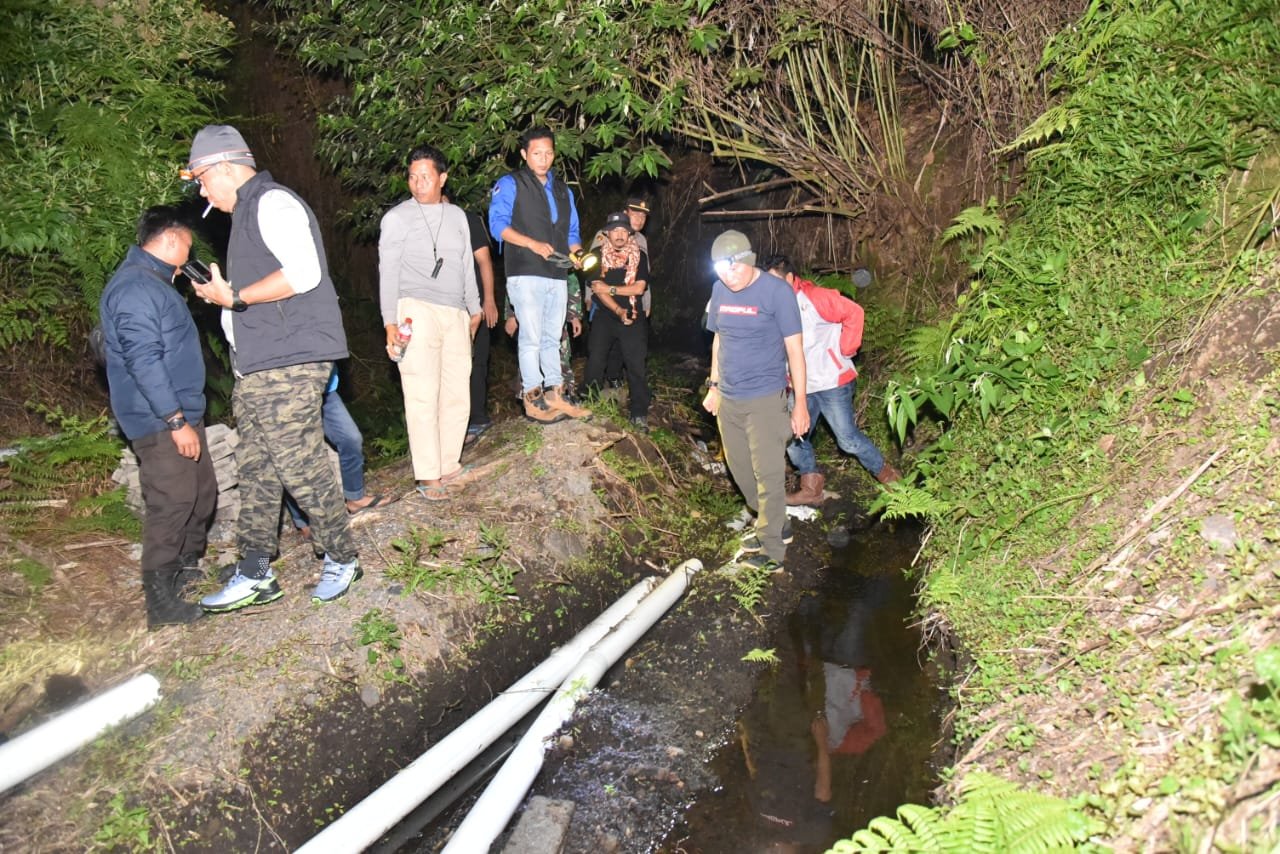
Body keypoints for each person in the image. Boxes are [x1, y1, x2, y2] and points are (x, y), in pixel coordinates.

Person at [184, 124, 360, 608]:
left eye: (201, 178)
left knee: (299, 462)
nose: (201, 189)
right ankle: (255, 570)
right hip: (260, 365)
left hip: (292, 358)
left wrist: (233, 296)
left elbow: (303, 273)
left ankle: (342, 557)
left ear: (223, 166)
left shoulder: (272, 202)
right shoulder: (245, 215)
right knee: (257, 469)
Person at [99, 206, 216, 628]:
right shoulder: (135, 289)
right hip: (159, 418)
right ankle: (161, 604)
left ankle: (186, 572)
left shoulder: (155, 282)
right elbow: (144, 360)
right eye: (187, 241)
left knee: (201, 494)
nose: (190, 249)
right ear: (170, 240)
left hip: (181, 412)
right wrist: (175, 420)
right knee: (172, 502)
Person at [379, 144, 482, 501]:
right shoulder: (396, 219)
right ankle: (427, 474)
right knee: (422, 392)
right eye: (413, 176)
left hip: (455, 312)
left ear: (442, 178)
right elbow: (387, 270)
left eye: (426, 176)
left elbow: (466, 263)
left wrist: (475, 307)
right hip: (414, 308)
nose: (418, 183)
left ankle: (448, 462)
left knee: (457, 390)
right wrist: (389, 320)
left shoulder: (457, 217)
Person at [703, 230, 809, 571]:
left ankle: (773, 551)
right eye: (720, 269)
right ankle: (776, 523)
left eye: (733, 268)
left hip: (765, 399)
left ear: (748, 261)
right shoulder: (719, 290)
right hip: (729, 399)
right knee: (742, 474)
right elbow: (719, 339)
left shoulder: (777, 292)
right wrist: (714, 386)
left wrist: (801, 403)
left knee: (768, 475)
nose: (727, 275)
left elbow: (795, 350)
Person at [761, 255, 901, 505]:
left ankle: (890, 477)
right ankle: (811, 486)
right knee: (792, 438)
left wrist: (846, 350)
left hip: (832, 382)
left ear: (790, 278)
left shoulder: (815, 298)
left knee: (847, 439)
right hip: (801, 387)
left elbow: (854, 312)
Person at [488, 125, 590, 423]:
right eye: (536, 153)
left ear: (554, 154)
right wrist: (531, 243)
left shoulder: (563, 190)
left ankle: (556, 393)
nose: (543, 159)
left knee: (552, 336)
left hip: (557, 273)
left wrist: (580, 255)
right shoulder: (510, 184)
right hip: (525, 271)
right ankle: (532, 398)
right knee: (531, 336)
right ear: (524, 154)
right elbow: (498, 225)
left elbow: (571, 233)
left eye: (548, 153)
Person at [283, 367, 393, 538]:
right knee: (292, 455)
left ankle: (354, 498)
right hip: (286, 392)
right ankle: (303, 520)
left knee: (350, 438)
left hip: (324, 388)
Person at [583, 211, 651, 431]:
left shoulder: (640, 255)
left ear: (629, 233)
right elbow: (596, 289)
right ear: (607, 234)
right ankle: (588, 402)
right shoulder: (595, 255)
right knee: (596, 358)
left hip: (633, 315)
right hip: (605, 314)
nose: (620, 235)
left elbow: (639, 288)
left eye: (624, 230)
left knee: (636, 364)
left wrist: (612, 290)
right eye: (615, 231)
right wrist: (617, 309)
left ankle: (639, 413)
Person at [588, 197, 653, 392]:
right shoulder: (604, 235)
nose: (640, 219)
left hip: (632, 300)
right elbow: (592, 268)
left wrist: (646, 303)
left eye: (643, 216)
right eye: (635, 214)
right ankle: (594, 390)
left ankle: (615, 377)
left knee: (626, 346)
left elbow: (644, 275)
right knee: (600, 347)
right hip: (603, 301)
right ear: (626, 213)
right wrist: (587, 297)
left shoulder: (641, 241)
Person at [461, 201, 499, 445]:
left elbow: (484, 261)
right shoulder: (419, 221)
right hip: (443, 304)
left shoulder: (467, 219)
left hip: (473, 303)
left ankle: (478, 417)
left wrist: (489, 300)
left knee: (477, 361)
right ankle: (456, 423)